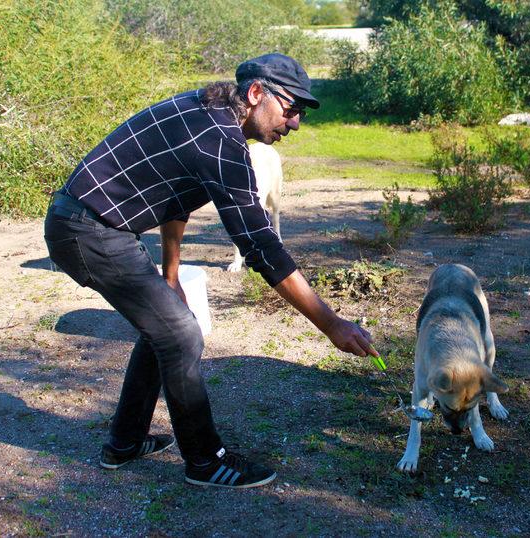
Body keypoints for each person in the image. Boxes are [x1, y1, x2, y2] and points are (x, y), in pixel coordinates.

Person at [44, 53, 378, 489]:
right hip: (88, 231)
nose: (295, 123)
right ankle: (205, 461)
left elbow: (175, 198)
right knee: (182, 333)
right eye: (291, 108)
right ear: (257, 93)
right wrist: (330, 323)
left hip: (95, 227)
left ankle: (124, 443)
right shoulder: (220, 140)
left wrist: (170, 276)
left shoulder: (209, 116)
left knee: (163, 329)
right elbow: (259, 245)